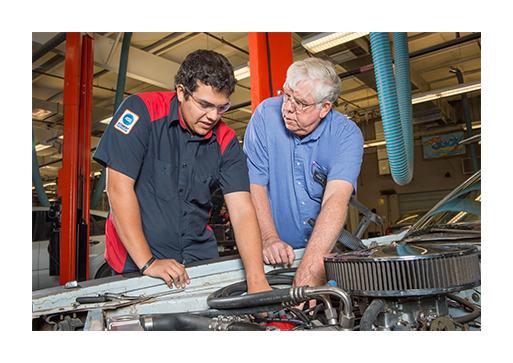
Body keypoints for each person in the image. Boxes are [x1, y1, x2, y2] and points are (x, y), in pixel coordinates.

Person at [93, 49, 271, 294]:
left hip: (198, 262)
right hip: (136, 265)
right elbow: (117, 188)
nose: (212, 116)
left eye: (221, 107)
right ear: (181, 92)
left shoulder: (226, 141)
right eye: (205, 104)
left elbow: (241, 209)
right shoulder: (141, 111)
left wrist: (257, 280)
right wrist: (148, 262)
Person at [243, 58, 364, 289]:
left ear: (324, 108)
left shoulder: (346, 135)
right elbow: (255, 184)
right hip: (273, 255)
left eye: (300, 103)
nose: (288, 107)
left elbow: (335, 199)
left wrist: (311, 270)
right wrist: (269, 239)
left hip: (323, 251)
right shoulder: (265, 117)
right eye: (286, 95)